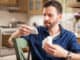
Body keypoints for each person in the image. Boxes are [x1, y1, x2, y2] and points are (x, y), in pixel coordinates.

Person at [8, 0, 80, 60]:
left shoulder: (69, 36)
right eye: (44, 15)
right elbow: (11, 42)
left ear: (59, 17)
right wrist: (18, 33)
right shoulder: (35, 32)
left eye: (50, 15)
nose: (45, 18)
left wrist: (64, 54)